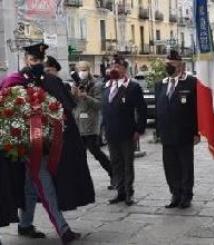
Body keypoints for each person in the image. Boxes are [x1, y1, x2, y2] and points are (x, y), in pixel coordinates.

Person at [0, 42, 95, 244]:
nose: (37, 64)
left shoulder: (49, 80)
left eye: (40, 60)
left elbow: (64, 108)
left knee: (30, 185)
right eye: (33, 60)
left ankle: (25, 224)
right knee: (44, 184)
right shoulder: (14, 81)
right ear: (26, 59)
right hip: (24, 145)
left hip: (47, 144)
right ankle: (63, 230)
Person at [155, 50, 200, 209]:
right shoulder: (161, 84)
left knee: (185, 165)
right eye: (167, 63)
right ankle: (175, 193)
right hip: (166, 133)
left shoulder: (191, 82)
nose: (168, 66)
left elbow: (196, 109)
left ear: (180, 65)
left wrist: (196, 132)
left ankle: (186, 195)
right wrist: (158, 131)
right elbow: (159, 109)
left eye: (171, 63)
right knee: (170, 166)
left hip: (185, 132)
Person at [102, 55, 147, 206]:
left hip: (127, 132)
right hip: (111, 132)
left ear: (124, 69)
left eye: (118, 67)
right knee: (116, 163)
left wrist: (139, 129)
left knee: (128, 163)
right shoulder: (107, 85)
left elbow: (142, 109)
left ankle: (129, 193)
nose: (114, 69)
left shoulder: (132, 87)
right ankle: (119, 191)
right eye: (112, 66)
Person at [71, 61, 113, 189]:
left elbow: (100, 105)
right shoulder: (75, 84)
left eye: (84, 69)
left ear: (89, 70)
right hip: (78, 124)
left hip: (91, 125)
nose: (82, 72)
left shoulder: (96, 85)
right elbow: (72, 103)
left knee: (95, 152)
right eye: (80, 69)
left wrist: (85, 97)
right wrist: (72, 94)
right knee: (78, 155)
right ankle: (81, 181)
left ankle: (113, 174)